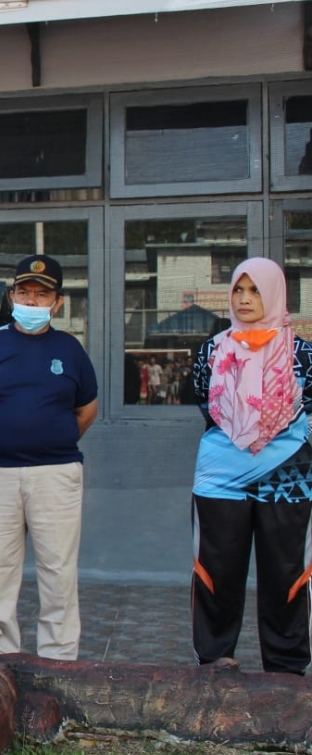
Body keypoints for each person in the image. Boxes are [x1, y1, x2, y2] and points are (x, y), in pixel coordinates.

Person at [0, 254, 98, 661]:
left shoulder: (70, 350)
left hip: (56, 475)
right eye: (23, 292)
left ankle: (58, 657)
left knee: (57, 570)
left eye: (42, 294)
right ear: (11, 295)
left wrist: (51, 441)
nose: (31, 301)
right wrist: (1, 439)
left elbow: (87, 410)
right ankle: (1, 654)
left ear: (58, 303)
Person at [190, 257, 312, 675]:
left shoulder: (303, 355)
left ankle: (286, 673)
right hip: (220, 481)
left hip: (288, 482)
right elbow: (207, 406)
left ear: (275, 293)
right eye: (238, 290)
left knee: (285, 578)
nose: (244, 299)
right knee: (216, 575)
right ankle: (213, 661)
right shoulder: (211, 349)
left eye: (255, 290)